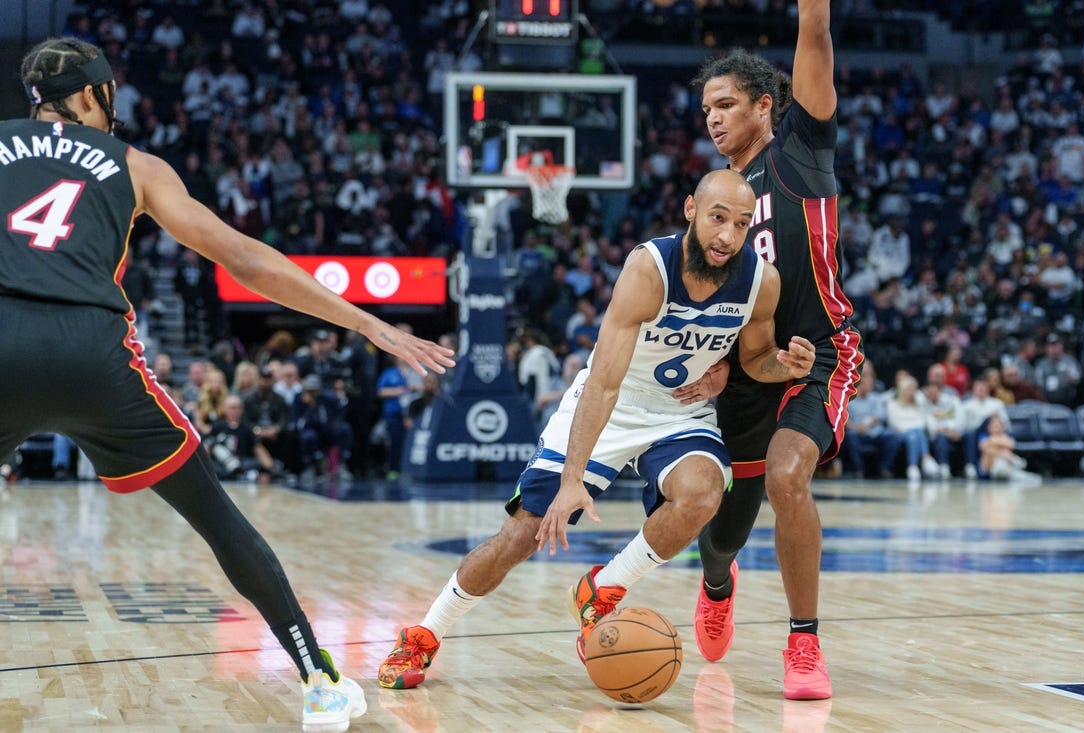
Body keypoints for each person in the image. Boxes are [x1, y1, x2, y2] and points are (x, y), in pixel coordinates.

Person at [2, 38, 453, 732]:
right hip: (93, 352)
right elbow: (243, 258)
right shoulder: (137, 165)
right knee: (216, 516)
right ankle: (318, 680)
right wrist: (369, 325)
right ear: (93, 96)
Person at [376, 170, 816, 691]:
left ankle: (603, 588)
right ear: (691, 209)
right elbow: (604, 381)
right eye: (719, 218)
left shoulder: (760, 280)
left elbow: (757, 358)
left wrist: (784, 366)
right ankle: (424, 633)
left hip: (679, 414)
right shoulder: (649, 268)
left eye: (742, 225)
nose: (727, 236)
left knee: (701, 495)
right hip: (612, 402)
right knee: (520, 537)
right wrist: (572, 479)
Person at [690, 0, 863, 701]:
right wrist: (713, 363)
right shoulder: (712, 200)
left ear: (767, 106)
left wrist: (811, 11)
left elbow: (815, 32)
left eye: (727, 103)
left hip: (819, 351)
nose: (714, 117)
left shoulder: (801, 150)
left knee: (791, 475)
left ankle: (803, 641)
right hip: (744, 372)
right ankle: (716, 582)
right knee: (721, 529)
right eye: (707, 108)